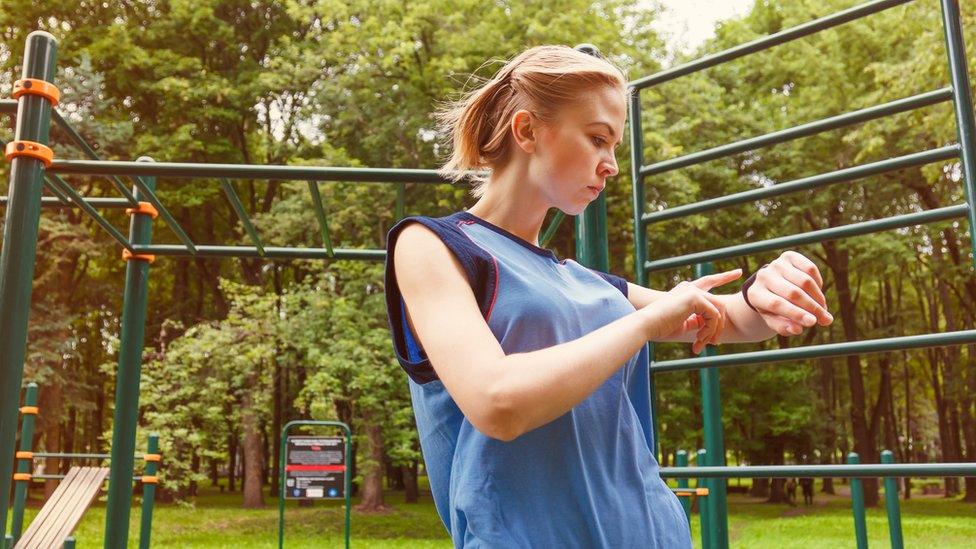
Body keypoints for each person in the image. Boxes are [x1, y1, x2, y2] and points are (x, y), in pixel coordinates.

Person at [384, 45, 833, 548]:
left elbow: (722, 318)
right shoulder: (432, 245)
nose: (612, 165)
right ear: (527, 130)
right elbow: (497, 402)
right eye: (598, 139)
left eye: (615, 146)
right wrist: (644, 324)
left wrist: (764, 293)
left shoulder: (587, 282)